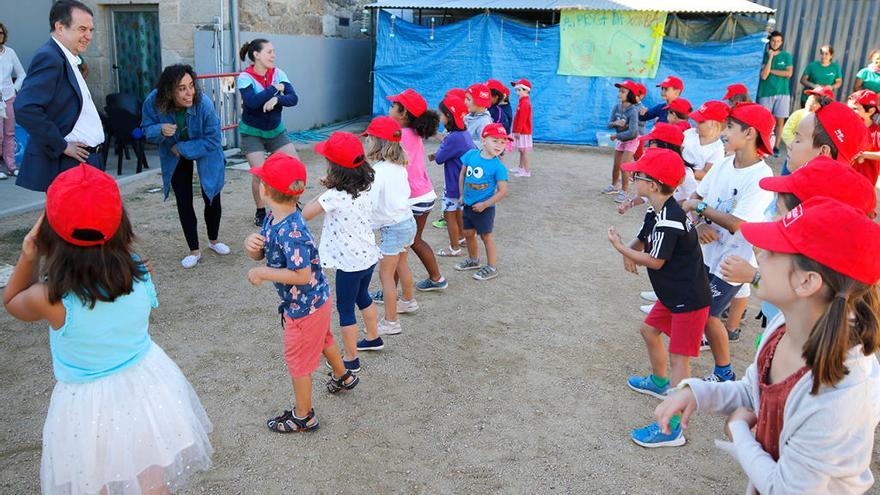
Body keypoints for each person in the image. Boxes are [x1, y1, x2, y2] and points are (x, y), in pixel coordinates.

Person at [2, 164, 214, 493]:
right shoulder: (140, 272)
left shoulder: (52, 299)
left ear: (50, 234)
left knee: (96, 480)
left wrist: (30, 254)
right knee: (151, 477)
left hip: (88, 409)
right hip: (147, 389)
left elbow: (13, 299)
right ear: (121, 225)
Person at [656, 197, 880, 495]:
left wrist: (739, 431)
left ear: (806, 283)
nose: (758, 253)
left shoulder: (840, 391)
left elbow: (788, 489)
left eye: (773, 250)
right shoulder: (784, 325)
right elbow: (754, 391)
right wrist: (698, 392)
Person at [245, 153, 358, 433]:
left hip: (304, 306)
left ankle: (304, 416)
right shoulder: (276, 217)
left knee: (298, 361)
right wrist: (254, 248)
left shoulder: (291, 230)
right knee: (323, 339)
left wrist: (262, 273)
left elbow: (301, 275)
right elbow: (266, 252)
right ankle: (343, 375)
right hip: (314, 301)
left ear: (265, 190)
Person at [607, 148, 711, 448]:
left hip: (688, 300)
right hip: (673, 294)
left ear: (653, 185)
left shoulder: (672, 219)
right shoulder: (658, 209)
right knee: (649, 330)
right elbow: (644, 236)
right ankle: (659, 382)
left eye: (637, 175)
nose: (633, 177)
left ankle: (672, 429)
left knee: (681, 360)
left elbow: (655, 260)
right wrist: (630, 247)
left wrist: (620, 249)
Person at [718, 155, 877, 348]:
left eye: (778, 211)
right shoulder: (792, 320)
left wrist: (755, 277)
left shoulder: (821, 340)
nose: (770, 218)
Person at [682, 103, 776, 382]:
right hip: (708, 255)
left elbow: (738, 224)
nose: (724, 132)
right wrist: (699, 225)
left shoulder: (761, 177)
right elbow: (697, 198)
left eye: (731, 127)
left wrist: (698, 211)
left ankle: (721, 371)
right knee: (705, 315)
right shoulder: (723, 164)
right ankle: (722, 370)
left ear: (749, 133)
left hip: (733, 262)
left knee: (707, 313)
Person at [300, 132, 380, 372]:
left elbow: (305, 213)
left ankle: (351, 358)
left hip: (349, 264)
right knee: (362, 296)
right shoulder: (366, 185)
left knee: (345, 309)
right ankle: (374, 336)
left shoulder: (334, 196)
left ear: (334, 168)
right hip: (367, 256)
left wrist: (325, 189)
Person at [142, 64, 230, 269]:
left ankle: (214, 241)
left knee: (212, 193)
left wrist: (182, 148)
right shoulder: (153, 101)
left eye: (191, 85)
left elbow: (214, 140)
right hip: (172, 151)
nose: (189, 92)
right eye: (181, 88)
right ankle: (194, 250)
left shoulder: (204, 103)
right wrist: (159, 130)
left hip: (203, 148)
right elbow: (145, 130)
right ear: (168, 92)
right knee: (183, 198)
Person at [14, 0, 105, 192]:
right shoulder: (50, 57)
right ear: (60, 28)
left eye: (91, 30)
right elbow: (25, 108)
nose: (89, 36)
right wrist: (61, 145)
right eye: (82, 29)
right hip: (70, 163)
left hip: (85, 161)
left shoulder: (67, 58)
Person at [358, 116, 417, 352]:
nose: (366, 143)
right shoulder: (399, 166)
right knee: (403, 264)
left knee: (386, 275)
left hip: (392, 228)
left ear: (377, 143)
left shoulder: (378, 171)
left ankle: (391, 322)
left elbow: (371, 202)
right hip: (406, 222)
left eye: (369, 138)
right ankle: (408, 301)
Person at [384, 88, 448, 293]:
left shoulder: (399, 135)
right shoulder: (414, 132)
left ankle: (389, 291)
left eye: (393, 106)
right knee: (414, 240)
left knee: (397, 246)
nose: (390, 108)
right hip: (425, 195)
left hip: (410, 199)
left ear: (403, 114)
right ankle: (437, 278)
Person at [237, 39, 300, 227]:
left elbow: (293, 98)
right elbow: (252, 103)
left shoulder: (279, 73)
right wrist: (275, 89)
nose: (274, 55)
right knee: (260, 174)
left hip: (276, 131)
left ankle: (290, 206)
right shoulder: (245, 77)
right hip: (252, 133)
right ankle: (260, 211)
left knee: (294, 166)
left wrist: (277, 100)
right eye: (269, 52)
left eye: (274, 52)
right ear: (256, 55)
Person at [453, 123, 510, 281]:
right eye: (495, 140)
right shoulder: (471, 154)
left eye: (503, 142)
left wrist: (485, 204)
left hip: (485, 208)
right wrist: (461, 195)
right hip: (468, 204)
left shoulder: (498, 166)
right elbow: (462, 175)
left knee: (486, 237)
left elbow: (503, 191)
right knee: (468, 233)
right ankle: (473, 260)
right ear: (484, 140)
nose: (500, 145)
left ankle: (491, 267)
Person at [430, 95, 474, 257]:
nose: (440, 118)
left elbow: (441, 159)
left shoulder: (453, 137)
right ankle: (461, 237)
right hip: (463, 183)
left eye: (441, 114)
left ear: (449, 116)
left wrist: (438, 153)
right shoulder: (463, 134)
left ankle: (453, 247)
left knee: (449, 215)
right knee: (458, 212)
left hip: (454, 183)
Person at [603, 80, 641, 204]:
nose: (620, 93)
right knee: (616, 165)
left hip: (631, 140)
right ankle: (614, 186)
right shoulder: (616, 107)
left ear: (630, 94)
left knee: (624, 166)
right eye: (619, 91)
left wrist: (617, 135)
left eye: (623, 91)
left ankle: (624, 192)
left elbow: (633, 132)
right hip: (620, 139)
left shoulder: (633, 111)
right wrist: (616, 123)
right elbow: (608, 124)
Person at [757, 31, 794, 155]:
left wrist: (772, 70)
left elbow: (788, 73)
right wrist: (771, 57)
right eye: (773, 41)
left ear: (781, 42)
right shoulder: (764, 55)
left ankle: (776, 147)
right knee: (764, 119)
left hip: (783, 93)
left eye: (778, 41)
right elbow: (763, 76)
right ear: (770, 42)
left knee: (780, 121)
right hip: (766, 92)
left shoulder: (786, 56)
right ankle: (763, 144)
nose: (775, 43)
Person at [0, 22, 25, 179]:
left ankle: (11, 166)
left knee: (9, 133)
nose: (0, 35)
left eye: (1, 33)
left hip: (9, 97)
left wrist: (15, 89)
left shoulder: (10, 52)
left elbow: (22, 74)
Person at [682, 101, 727, 180]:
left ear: (715, 125)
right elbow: (677, 151)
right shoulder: (689, 133)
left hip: (694, 187)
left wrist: (682, 171)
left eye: (701, 121)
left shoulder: (718, 149)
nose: (696, 123)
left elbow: (706, 174)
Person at [847, 89, 880, 185]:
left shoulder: (877, 132)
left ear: (871, 111)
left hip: (863, 183)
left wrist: (863, 155)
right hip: (842, 176)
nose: (849, 111)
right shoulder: (847, 125)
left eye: (855, 109)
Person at [510, 78, 534, 177]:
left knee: (524, 151)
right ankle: (520, 168)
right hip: (520, 131)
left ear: (527, 90)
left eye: (519, 90)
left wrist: (518, 131)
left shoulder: (525, 103)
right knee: (521, 150)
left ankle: (527, 171)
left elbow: (522, 119)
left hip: (523, 131)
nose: (517, 92)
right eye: (517, 90)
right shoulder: (522, 101)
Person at [464, 83, 494, 149]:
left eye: (468, 99)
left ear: (479, 103)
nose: (465, 102)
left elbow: (484, 144)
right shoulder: (470, 116)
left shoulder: (484, 121)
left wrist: (461, 143)